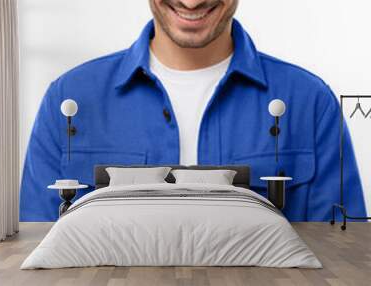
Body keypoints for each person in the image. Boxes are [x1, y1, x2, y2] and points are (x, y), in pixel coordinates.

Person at [20, 0, 366, 221]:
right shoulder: (69, 98)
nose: (192, 1)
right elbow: (33, 241)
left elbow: (341, 243)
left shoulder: (310, 102)